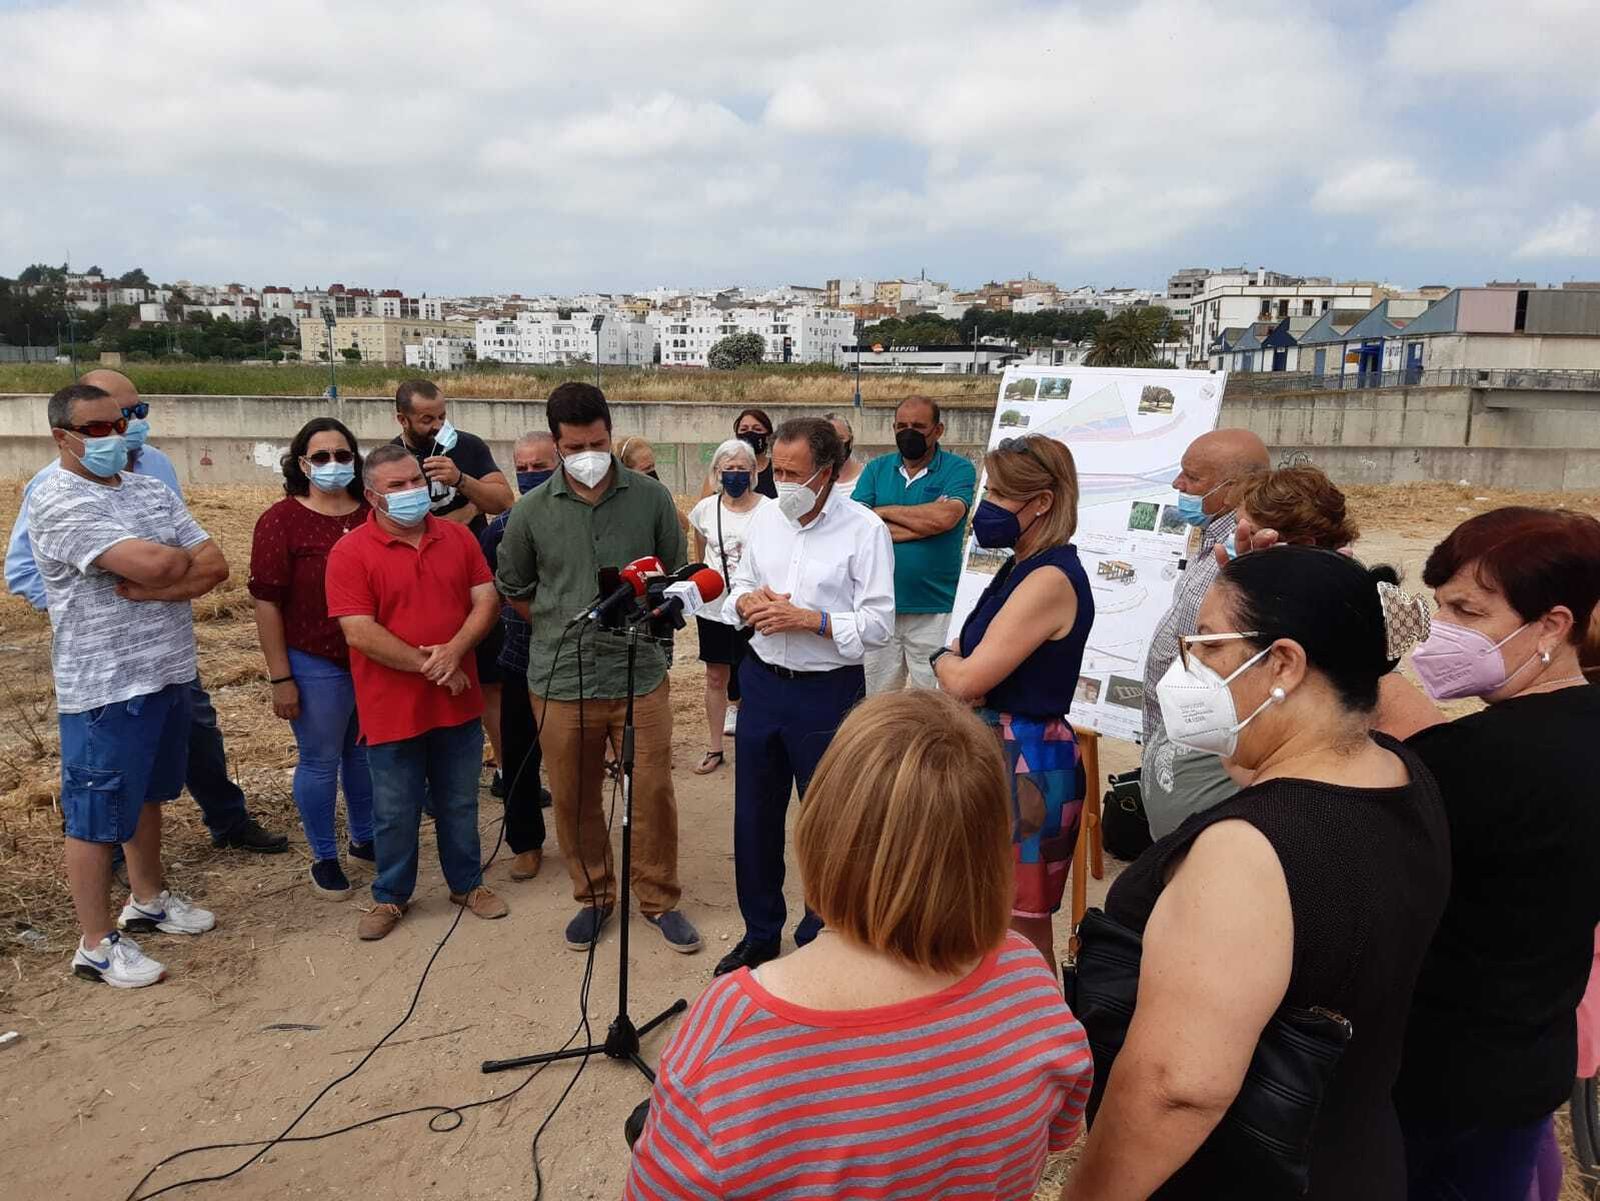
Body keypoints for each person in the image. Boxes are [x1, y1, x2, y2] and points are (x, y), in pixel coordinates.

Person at [1065, 548, 1448, 1201]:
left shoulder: (1246, 851)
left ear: (1283, 663)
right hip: (1354, 1153)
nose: (1190, 664)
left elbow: (1178, 1086)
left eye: (1209, 643)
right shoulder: (1401, 773)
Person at [626, 689, 1095, 1200]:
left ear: (824, 825)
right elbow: (1054, 1133)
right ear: (991, 846)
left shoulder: (734, 1030)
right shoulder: (1030, 983)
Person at [1381, 508, 1600, 1200]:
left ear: (1554, 625)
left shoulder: (1474, 763)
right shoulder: (1574, 726)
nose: (1441, 629)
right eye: (1438, 605)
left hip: (1442, 1077)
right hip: (1530, 1059)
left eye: (1468, 610)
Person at [5, 369, 287, 855]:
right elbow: (24, 570)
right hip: (107, 666)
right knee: (109, 779)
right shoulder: (51, 489)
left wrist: (158, 585)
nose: (126, 427)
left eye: (135, 414)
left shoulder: (153, 470)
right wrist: (97, 601)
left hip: (169, 652)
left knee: (196, 738)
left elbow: (205, 560)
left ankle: (227, 821)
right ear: (70, 430)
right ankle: (110, 858)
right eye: (109, 421)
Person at [29, 383, 229, 988]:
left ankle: (148, 898)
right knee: (94, 816)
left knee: (147, 795)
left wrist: (158, 586)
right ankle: (95, 944)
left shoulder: (147, 488)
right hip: (105, 686)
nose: (112, 436)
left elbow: (213, 562)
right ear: (61, 436)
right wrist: (167, 570)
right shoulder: (57, 499)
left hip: (168, 671)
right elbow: (163, 561)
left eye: (119, 422)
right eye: (93, 429)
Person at [494, 383, 700, 954]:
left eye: (599, 442)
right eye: (576, 445)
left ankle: (658, 897)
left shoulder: (651, 499)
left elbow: (672, 575)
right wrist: (559, 623)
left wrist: (653, 637)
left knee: (653, 788)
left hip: (639, 674)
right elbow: (514, 586)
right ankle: (595, 895)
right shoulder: (530, 512)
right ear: (557, 445)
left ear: (612, 433)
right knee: (574, 792)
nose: (589, 453)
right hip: (562, 682)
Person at [717, 417, 894, 977]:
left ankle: (823, 933)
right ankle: (760, 932)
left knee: (829, 821)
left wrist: (812, 620)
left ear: (828, 472)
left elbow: (879, 624)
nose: (782, 483)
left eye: (795, 474)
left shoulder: (865, 531)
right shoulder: (767, 517)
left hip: (829, 694)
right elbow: (740, 583)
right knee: (755, 817)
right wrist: (747, 605)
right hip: (763, 683)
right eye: (778, 470)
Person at [324, 445, 507, 941]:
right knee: (395, 809)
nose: (412, 492)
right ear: (371, 496)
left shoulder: (456, 538)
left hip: (458, 703)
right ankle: (391, 895)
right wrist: (436, 665)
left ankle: (467, 884)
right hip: (391, 709)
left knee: (459, 801)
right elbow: (358, 631)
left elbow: (485, 599)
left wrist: (456, 651)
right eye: (397, 487)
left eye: (415, 481)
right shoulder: (350, 553)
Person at [933, 434, 1091, 971]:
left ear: (1042, 502)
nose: (987, 506)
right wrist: (954, 665)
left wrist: (941, 661)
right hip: (1001, 752)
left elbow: (966, 674)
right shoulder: (1020, 566)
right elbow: (967, 663)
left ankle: (1050, 1046)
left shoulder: (1048, 577)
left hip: (1027, 762)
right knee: (982, 914)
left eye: (1001, 493)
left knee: (1020, 931)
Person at [248, 417, 373, 900]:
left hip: (369, 655)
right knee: (320, 760)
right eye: (321, 457)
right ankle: (324, 854)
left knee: (362, 755)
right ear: (302, 463)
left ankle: (364, 837)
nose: (333, 464)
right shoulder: (281, 520)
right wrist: (281, 676)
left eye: (343, 455)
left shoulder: (370, 512)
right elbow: (267, 601)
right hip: (314, 657)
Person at [1139, 428, 1270, 839]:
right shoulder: (1212, 537)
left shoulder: (1249, 551)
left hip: (1208, 761)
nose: (1178, 485)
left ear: (1235, 489)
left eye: (1192, 478)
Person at [855, 396, 977, 693]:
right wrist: (923, 522)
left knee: (936, 702)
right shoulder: (876, 469)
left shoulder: (959, 469)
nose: (908, 432)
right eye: (902, 426)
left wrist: (880, 513)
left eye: (919, 426)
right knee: (877, 704)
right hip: (880, 608)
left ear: (938, 430)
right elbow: (857, 527)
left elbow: (945, 519)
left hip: (935, 609)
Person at [478, 432, 556, 883]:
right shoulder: (502, 528)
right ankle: (525, 843)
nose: (530, 475)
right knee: (519, 755)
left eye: (539, 465)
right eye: (522, 468)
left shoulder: (578, 520)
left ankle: (583, 840)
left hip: (572, 658)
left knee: (573, 760)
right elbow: (487, 588)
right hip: (520, 655)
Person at [685, 439, 769, 774]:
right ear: (717, 473)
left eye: (741, 469)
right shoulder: (705, 509)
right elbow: (700, 547)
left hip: (753, 607)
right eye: (728, 469)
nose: (734, 475)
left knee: (754, 677)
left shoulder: (769, 510)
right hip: (713, 608)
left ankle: (756, 746)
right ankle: (715, 747)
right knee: (716, 676)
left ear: (754, 471)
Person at [733, 407, 778, 499]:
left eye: (757, 429)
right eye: (744, 429)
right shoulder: (723, 469)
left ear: (768, 436)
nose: (750, 433)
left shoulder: (778, 470)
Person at [822, 411, 864, 494]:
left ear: (851, 441)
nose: (835, 444)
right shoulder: (814, 481)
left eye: (840, 438)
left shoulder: (868, 477)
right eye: (828, 439)